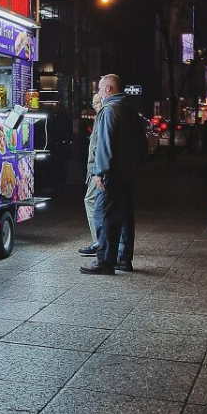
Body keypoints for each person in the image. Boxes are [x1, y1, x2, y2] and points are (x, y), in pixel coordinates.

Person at [81, 74, 140, 276]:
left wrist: (100, 171)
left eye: (99, 89)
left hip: (111, 173)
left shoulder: (109, 110)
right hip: (127, 172)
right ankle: (124, 259)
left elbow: (105, 144)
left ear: (108, 89)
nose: (98, 92)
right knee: (124, 215)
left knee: (103, 215)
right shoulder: (130, 108)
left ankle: (105, 260)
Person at [78, 92, 104, 256]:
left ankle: (98, 241)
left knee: (91, 200)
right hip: (98, 167)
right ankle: (102, 241)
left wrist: (96, 171)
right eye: (93, 104)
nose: (95, 107)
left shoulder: (103, 117)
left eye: (96, 103)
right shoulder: (104, 116)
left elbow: (97, 147)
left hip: (98, 168)